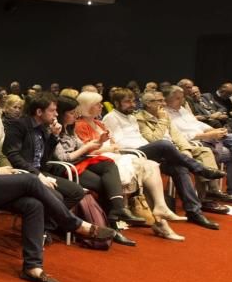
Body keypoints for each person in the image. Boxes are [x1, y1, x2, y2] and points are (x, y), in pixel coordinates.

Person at [0, 90, 115, 282]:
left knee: (34, 205)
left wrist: (9, 170)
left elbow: (0, 156)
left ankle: (32, 267)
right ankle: (73, 224)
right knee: (31, 180)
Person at [57, 96, 180, 243]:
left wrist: (98, 143)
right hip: (71, 165)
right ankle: (115, 223)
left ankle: (126, 213)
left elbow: (85, 147)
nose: (75, 115)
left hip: (98, 159)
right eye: (71, 112)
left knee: (138, 165)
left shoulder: (77, 126)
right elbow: (64, 157)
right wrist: (94, 147)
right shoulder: (66, 127)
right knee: (109, 181)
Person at [102, 90, 224, 230]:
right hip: (132, 153)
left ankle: (194, 211)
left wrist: (185, 149)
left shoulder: (131, 117)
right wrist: (148, 142)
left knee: (180, 167)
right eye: (127, 102)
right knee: (164, 144)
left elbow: (173, 136)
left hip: (145, 150)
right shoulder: (111, 118)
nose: (132, 104)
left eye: (133, 101)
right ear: (116, 103)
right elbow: (119, 142)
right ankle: (199, 169)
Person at [162, 86, 232, 198]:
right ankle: (224, 193)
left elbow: (198, 124)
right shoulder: (164, 114)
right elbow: (178, 137)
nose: (182, 100)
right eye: (177, 98)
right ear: (165, 100)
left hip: (208, 138)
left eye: (182, 98)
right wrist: (208, 135)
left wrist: (214, 130)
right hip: (195, 144)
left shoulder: (182, 110)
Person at [2, 94, 85, 210]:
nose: (56, 114)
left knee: (77, 192)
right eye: (52, 111)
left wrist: (54, 136)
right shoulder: (18, 126)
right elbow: (12, 155)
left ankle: (50, 225)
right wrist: (38, 175)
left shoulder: (43, 128)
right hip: (25, 175)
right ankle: (52, 224)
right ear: (39, 112)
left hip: (40, 172)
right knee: (58, 197)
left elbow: (45, 158)